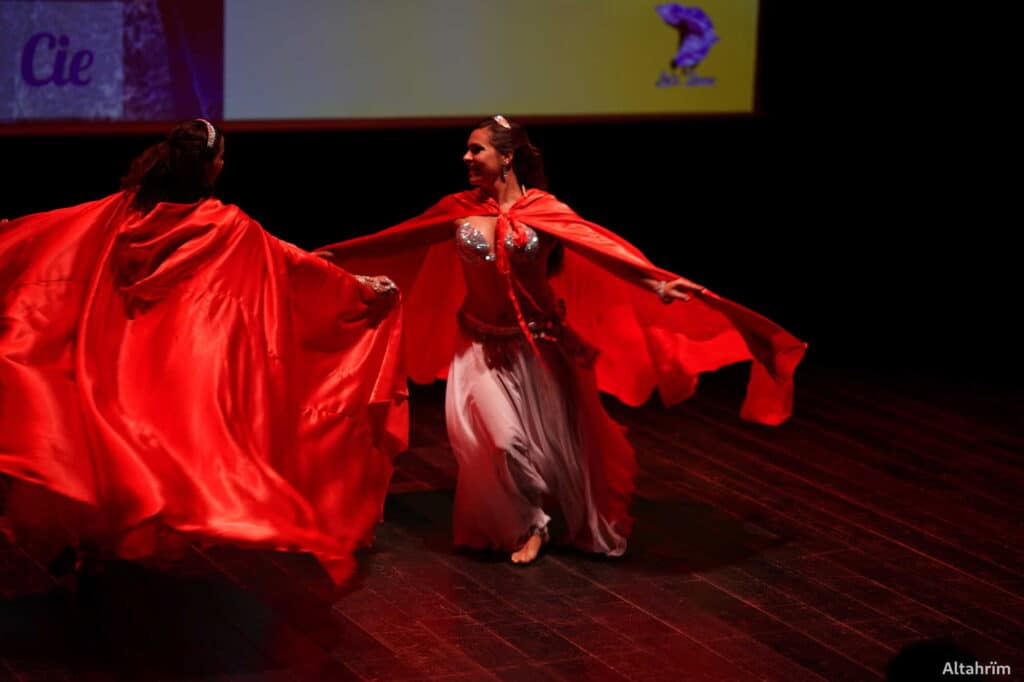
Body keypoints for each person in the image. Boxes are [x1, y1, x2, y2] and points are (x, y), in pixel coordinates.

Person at [316, 115, 807, 564]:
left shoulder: (545, 210)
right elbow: (396, 239)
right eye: (467, 150)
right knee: (504, 442)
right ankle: (533, 523)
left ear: (507, 157)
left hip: (537, 347)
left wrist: (655, 282)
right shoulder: (458, 209)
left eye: (476, 149)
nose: (466, 158)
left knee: (550, 444)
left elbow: (600, 247)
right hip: (478, 348)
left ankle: (539, 521)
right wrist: (331, 259)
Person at [0, 119, 407, 583]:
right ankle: (122, 537)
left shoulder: (125, 211)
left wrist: (11, 235)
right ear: (211, 168)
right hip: (171, 372)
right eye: (222, 157)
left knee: (98, 442)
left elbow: (59, 230)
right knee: (164, 451)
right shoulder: (224, 226)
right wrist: (360, 287)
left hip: (108, 362)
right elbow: (289, 262)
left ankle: (91, 540)